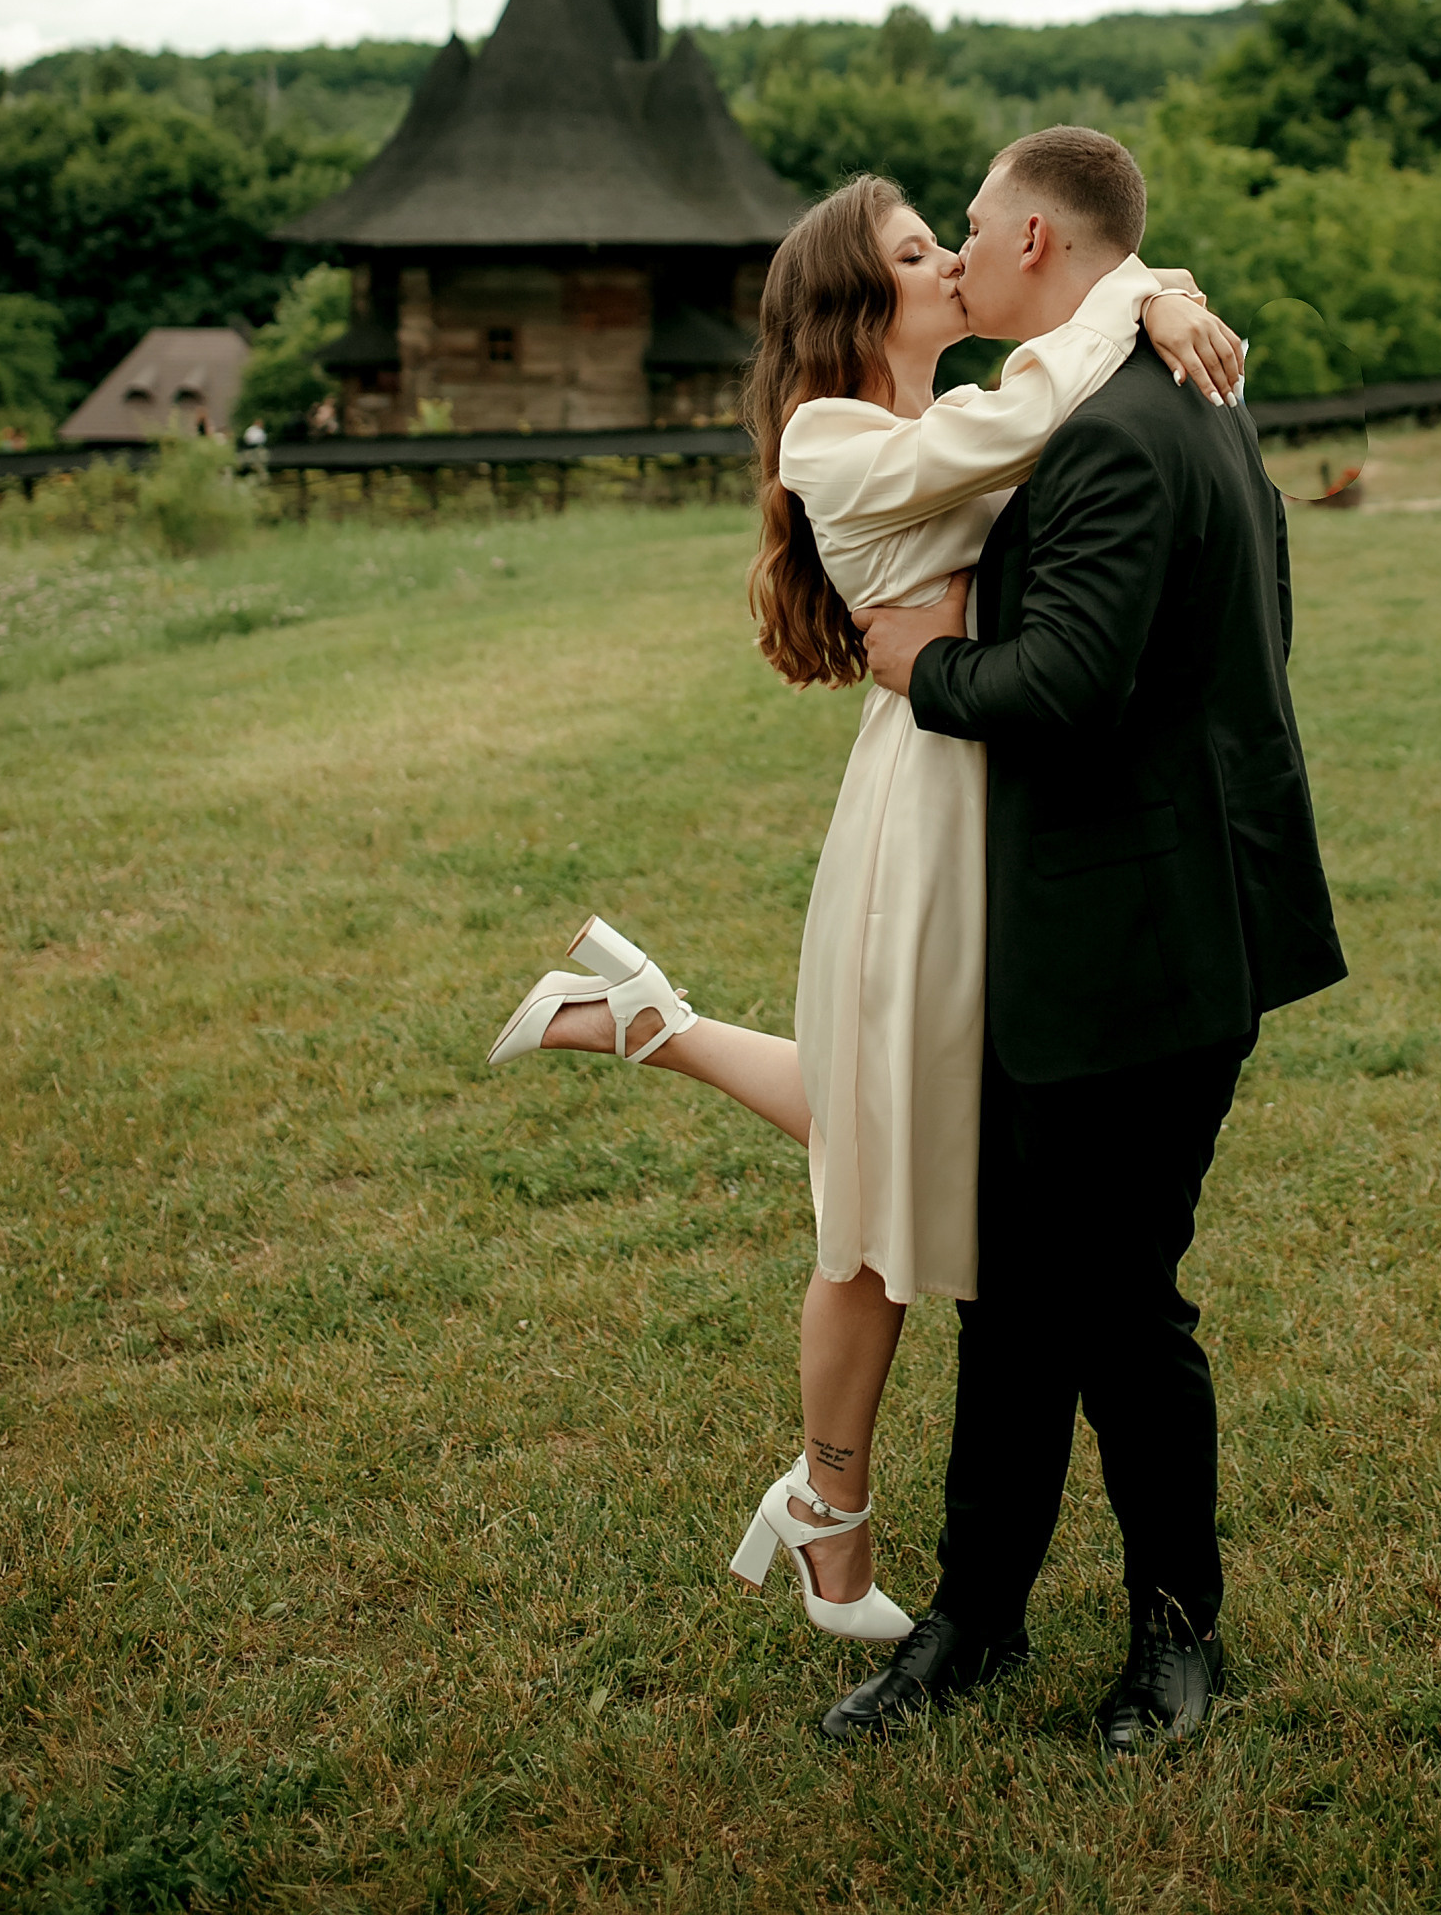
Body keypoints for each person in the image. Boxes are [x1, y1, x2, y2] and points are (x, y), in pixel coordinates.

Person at [485, 168, 1244, 1649]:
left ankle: (656, 1025)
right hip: (928, 816)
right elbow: (1028, 421)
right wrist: (1137, 292)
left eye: (952, 234)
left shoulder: (946, 412)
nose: (953, 261)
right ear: (860, 302)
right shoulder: (836, 434)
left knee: (901, 1139)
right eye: (918, 251)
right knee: (883, 1183)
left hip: (1001, 799)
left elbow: (1053, 436)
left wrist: (1160, 292)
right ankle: (835, 1509)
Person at [823, 124, 1346, 1751]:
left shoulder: (1120, 429)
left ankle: (1174, 1637)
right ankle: (975, 1619)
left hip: (1141, 946)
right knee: (1015, 1303)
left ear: (1038, 245)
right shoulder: (1180, 383)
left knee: (1117, 1308)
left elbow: (1065, 686)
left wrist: (915, 666)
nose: (961, 258)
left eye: (971, 231)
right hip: (1116, 927)